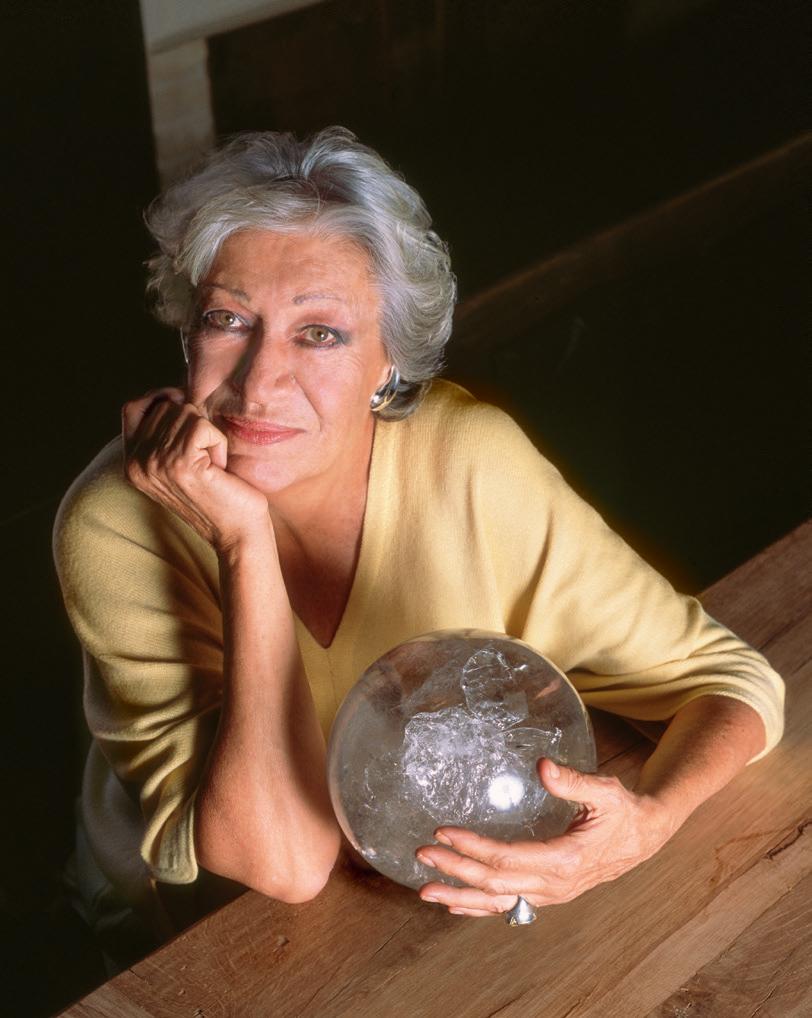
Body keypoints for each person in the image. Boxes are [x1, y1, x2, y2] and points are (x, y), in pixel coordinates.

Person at [53, 126, 784, 956]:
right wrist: (243, 541)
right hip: (191, 938)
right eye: (228, 319)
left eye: (319, 333)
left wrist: (646, 824)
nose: (258, 382)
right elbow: (284, 863)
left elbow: (731, 682)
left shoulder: (466, 461)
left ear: (389, 365)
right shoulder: (115, 519)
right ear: (188, 332)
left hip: (412, 889)